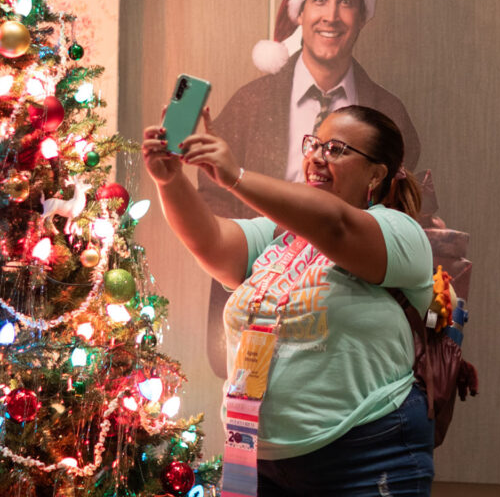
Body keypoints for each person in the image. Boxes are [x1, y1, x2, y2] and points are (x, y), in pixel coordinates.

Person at [143, 104, 435, 496]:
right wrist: (170, 180)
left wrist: (237, 177)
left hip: (364, 454)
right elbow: (210, 241)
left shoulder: (399, 233)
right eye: (314, 144)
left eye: (336, 149)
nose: (316, 157)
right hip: (255, 455)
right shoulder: (279, 234)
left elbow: (336, 225)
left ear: (376, 173)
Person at [199, 0, 422, 378]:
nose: (332, 16)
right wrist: (256, 269)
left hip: (349, 314)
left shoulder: (389, 111)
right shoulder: (250, 102)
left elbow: (400, 208)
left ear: (363, 19)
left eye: (347, 2)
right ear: (300, 12)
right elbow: (212, 201)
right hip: (262, 291)